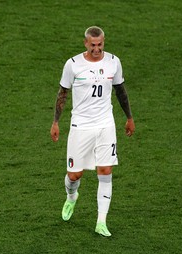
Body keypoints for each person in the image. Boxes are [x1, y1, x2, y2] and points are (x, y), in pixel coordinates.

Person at [50, 26, 135, 237]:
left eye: (100, 45)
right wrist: (56, 122)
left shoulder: (113, 62)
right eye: (93, 45)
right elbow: (63, 93)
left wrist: (129, 118)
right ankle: (71, 197)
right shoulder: (73, 65)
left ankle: (101, 222)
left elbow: (120, 90)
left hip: (105, 124)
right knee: (74, 174)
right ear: (85, 43)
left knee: (105, 171)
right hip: (81, 126)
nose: (97, 49)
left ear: (103, 42)